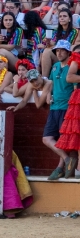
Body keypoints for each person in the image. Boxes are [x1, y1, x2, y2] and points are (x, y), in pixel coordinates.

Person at [41, 40, 76, 180]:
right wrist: (49, 95)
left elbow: (75, 89)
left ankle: (60, 167)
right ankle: (67, 159)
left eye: (62, 50)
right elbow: (50, 83)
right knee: (46, 138)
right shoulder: (55, 66)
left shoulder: (72, 66)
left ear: (68, 52)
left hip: (67, 107)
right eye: (57, 50)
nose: (59, 53)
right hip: (54, 107)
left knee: (64, 139)